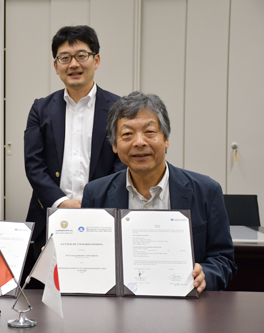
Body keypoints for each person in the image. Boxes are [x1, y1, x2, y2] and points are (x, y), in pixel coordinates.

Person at [81, 91, 237, 292]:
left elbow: (223, 259)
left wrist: (205, 274)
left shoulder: (206, 191)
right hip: (119, 309)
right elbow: (90, 258)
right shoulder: (95, 193)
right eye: (127, 134)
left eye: (149, 132)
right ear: (114, 145)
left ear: (166, 140)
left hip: (187, 309)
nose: (139, 142)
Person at [24, 25, 125, 267]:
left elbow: (123, 164)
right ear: (56, 65)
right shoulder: (41, 108)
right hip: (50, 217)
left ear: (96, 60)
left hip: (103, 216)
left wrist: (93, 202)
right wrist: (61, 202)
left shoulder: (119, 108)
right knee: (44, 294)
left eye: (82, 56)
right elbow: (33, 165)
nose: (74, 64)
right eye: (65, 58)